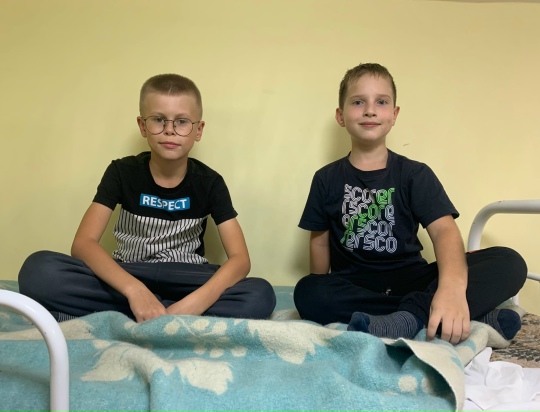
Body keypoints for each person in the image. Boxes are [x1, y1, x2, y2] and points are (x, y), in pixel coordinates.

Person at [293, 63, 527, 344]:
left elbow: (444, 231)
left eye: (381, 102)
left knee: (510, 262)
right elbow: (319, 241)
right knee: (307, 292)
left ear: (394, 115)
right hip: (357, 285)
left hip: (414, 280)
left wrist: (451, 289)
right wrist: (320, 285)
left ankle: (413, 316)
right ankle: (445, 316)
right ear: (340, 116)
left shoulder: (415, 174)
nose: (370, 110)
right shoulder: (326, 178)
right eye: (358, 102)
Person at [19, 73, 276, 323]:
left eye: (182, 121)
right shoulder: (121, 172)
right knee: (38, 270)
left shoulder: (210, 182)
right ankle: (156, 309)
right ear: (143, 126)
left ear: (198, 130)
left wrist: (196, 302)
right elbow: (83, 244)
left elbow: (240, 259)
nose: (169, 131)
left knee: (260, 294)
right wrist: (135, 291)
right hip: (130, 271)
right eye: (158, 120)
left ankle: (152, 311)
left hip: (187, 278)